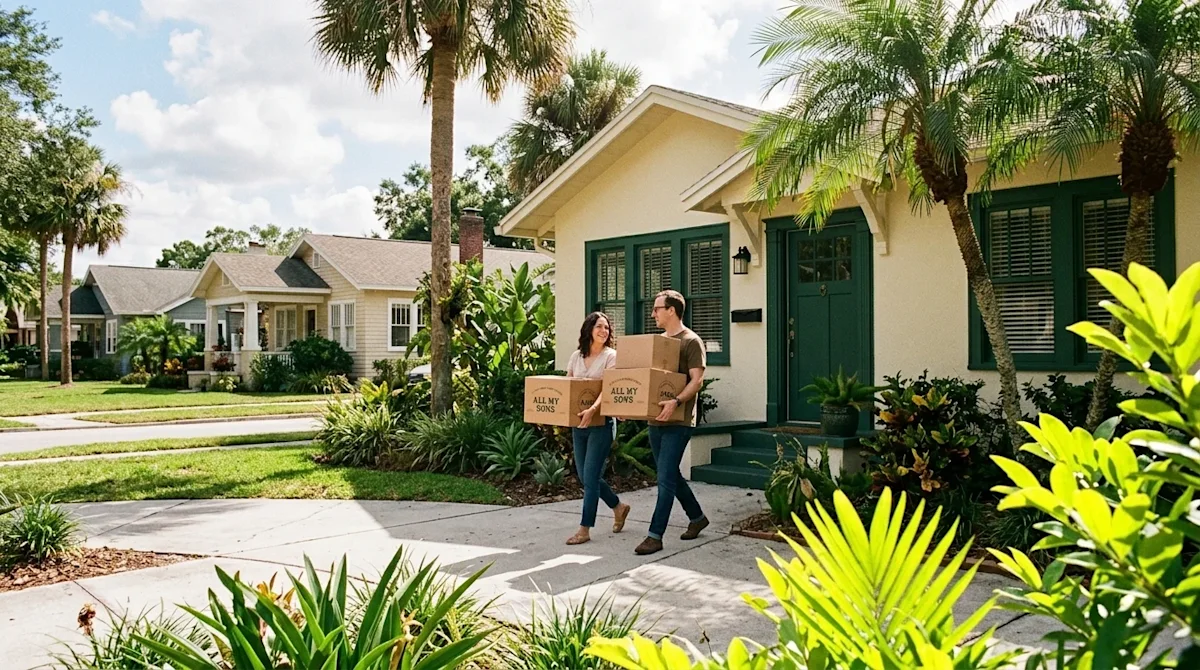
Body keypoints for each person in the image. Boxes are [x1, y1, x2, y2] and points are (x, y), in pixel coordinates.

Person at [635, 289, 709, 556]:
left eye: (657, 308)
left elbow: (696, 381)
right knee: (670, 475)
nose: (653, 313)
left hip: (679, 420)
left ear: (672, 310)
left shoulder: (691, 342)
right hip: (656, 419)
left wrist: (676, 401)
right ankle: (697, 517)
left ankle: (655, 535)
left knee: (664, 477)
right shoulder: (660, 342)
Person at [565, 311, 632, 545]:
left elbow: (609, 388)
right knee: (586, 476)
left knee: (591, 477)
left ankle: (584, 529)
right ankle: (618, 506)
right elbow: (569, 386)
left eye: (607, 328)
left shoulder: (611, 356)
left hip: (602, 422)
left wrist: (593, 409)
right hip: (579, 423)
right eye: (599, 327)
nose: (604, 331)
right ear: (589, 330)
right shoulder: (576, 357)